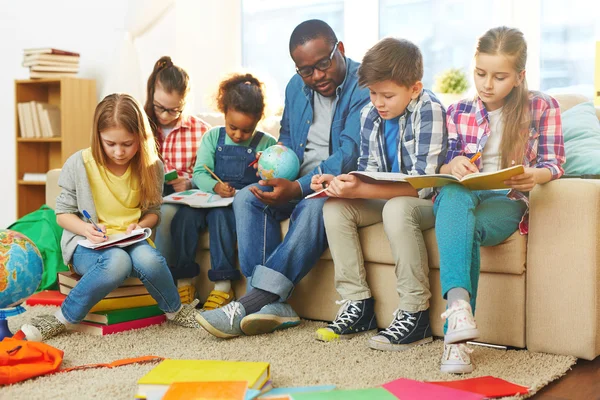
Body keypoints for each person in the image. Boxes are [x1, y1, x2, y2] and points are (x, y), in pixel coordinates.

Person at [196, 19, 370, 338]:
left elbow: (350, 153)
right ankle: (271, 306)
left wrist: (299, 188)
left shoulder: (364, 84)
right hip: (299, 180)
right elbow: (289, 137)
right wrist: (275, 164)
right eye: (306, 70)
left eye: (323, 64)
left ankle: (252, 302)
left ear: (340, 49)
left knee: (313, 207)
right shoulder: (295, 86)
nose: (316, 76)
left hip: (341, 184)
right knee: (249, 196)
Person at [435, 27, 565, 374]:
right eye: (480, 73)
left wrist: (534, 176)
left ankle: (456, 339)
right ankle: (460, 317)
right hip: (462, 195)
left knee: (466, 226)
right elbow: (441, 163)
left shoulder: (543, 107)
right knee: (451, 191)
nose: (486, 84)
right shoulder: (457, 110)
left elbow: (555, 163)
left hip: (507, 200)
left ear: (520, 76)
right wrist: (452, 164)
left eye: (499, 76)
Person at [20, 93, 201, 342]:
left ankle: (175, 311)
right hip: (89, 244)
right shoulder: (80, 163)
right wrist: (85, 229)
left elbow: (153, 214)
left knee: (150, 261)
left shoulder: (152, 166)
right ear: (98, 137)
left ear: (141, 138)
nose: (119, 152)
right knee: (117, 262)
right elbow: (62, 214)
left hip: (132, 240)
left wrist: (141, 225)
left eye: (127, 144)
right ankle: (61, 318)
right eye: (110, 144)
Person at [312, 38, 447, 350]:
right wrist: (343, 182)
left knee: (398, 209)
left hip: (426, 202)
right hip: (388, 197)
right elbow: (369, 168)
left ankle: (416, 315)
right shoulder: (370, 115)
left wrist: (365, 188)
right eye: (372, 93)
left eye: (387, 95)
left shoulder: (430, 111)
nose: (378, 102)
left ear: (414, 88)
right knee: (335, 207)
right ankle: (357, 304)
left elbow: (424, 183)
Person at [170, 73, 277, 310]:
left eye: (246, 131)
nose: (238, 135)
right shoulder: (212, 137)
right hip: (208, 198)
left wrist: (263, 170)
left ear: (259, 120)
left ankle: (223, 287)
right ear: (224, 112)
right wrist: (215, 186)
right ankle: (184, 282)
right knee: (182, 219)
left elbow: (272, 179)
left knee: (221, 219)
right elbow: (199, 173)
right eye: (233, 127)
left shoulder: (267, 143)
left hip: (234, 207)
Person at [145, 56, 210, 272]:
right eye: (159, 107)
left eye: (174, 110)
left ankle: (161, 279)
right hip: (145, 193)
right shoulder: (140, 124)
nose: (164, 115)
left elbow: (211, 173)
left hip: (180, 199)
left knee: (165, 216)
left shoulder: (201, 131)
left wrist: (190, 182)